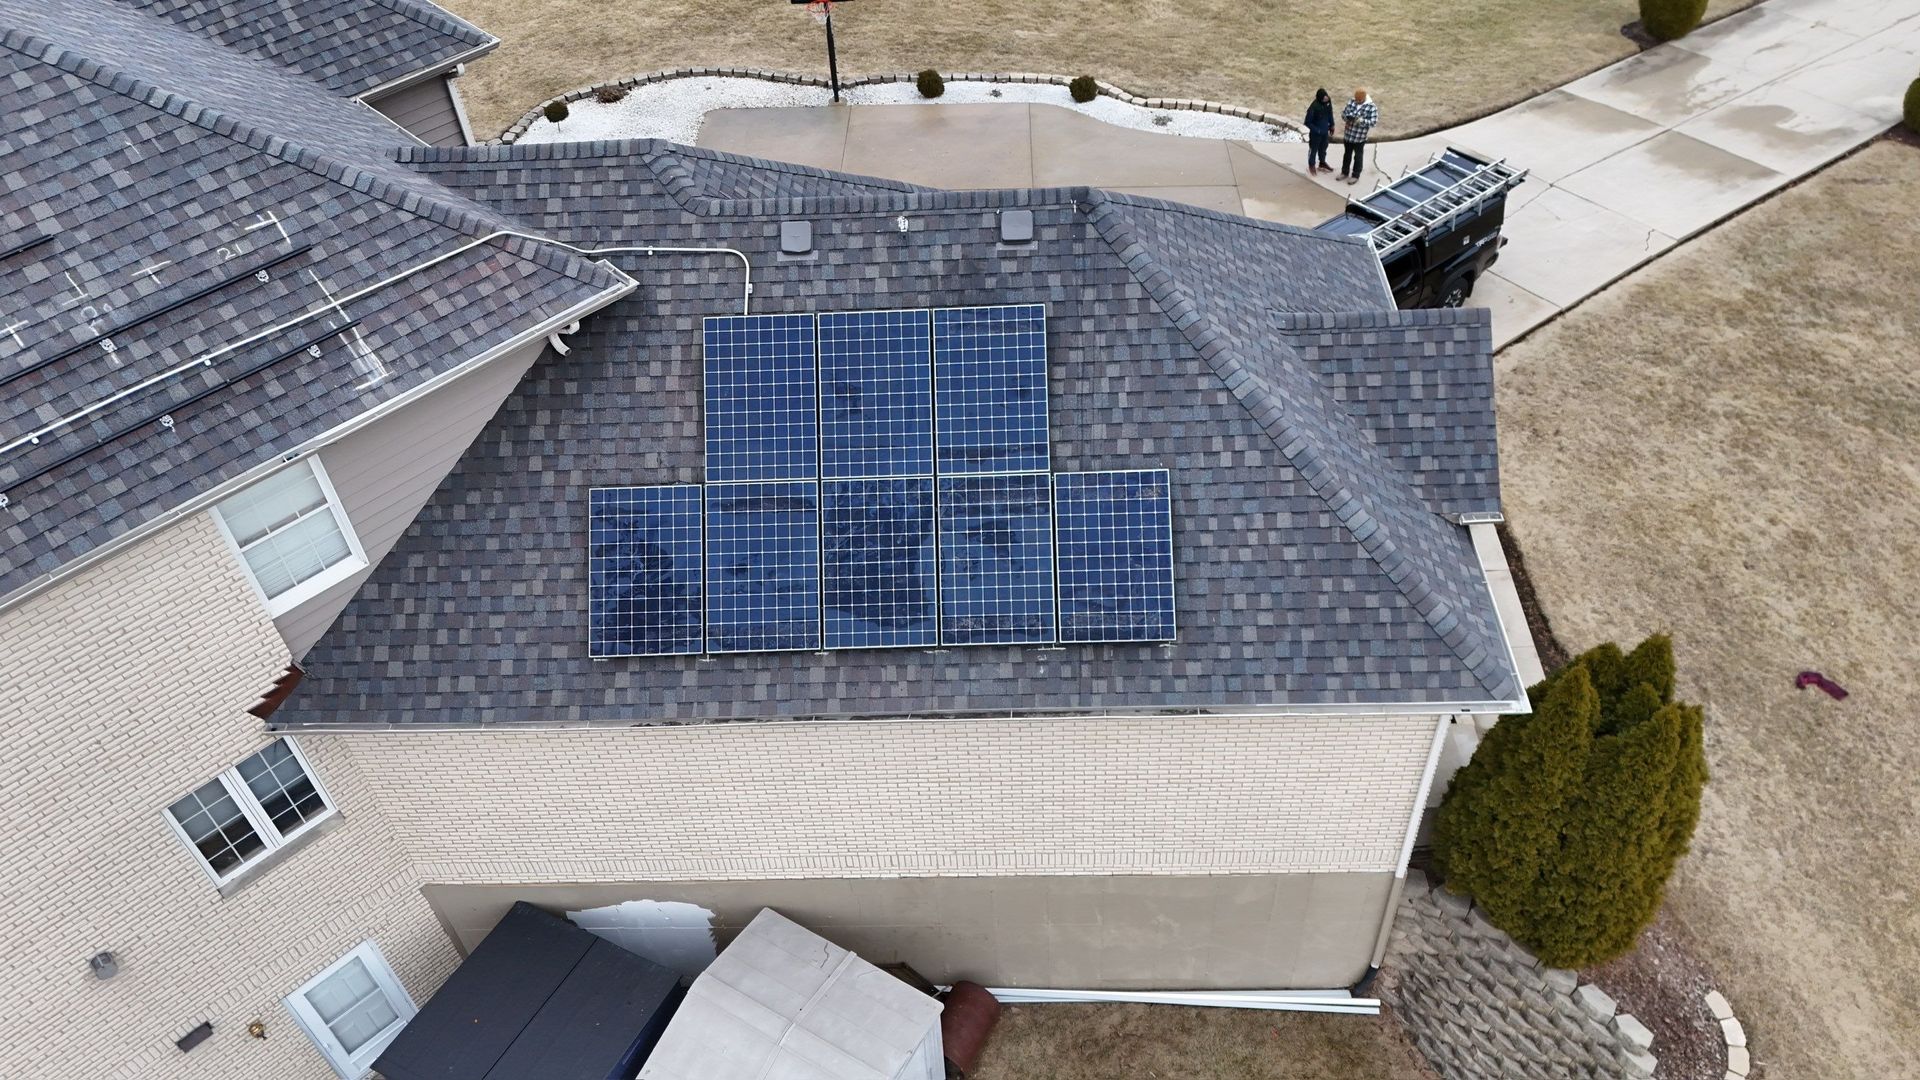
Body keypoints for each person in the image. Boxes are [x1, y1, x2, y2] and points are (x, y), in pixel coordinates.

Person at [1338, 87, 1379, 185]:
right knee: (1347, 154)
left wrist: (1361, 121)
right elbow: (1343, 113)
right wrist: (1347, 118)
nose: (1357, 102)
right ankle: (1344, 172)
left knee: (1358, 156)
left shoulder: (1371, 107)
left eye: (1359, 100)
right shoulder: (1352, 102)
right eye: (1356, 100)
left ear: (1364, 98)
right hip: (1348, 135)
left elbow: (1373, 122)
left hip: (1359, 137)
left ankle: (1355, 175)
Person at [1304, 89, 1334, 174]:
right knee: (1313, 149)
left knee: (1323, 148)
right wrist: (1317, 130)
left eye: (1327, 99)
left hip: (1325, 131)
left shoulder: (1328, 102)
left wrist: (1332, 125)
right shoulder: (1313, 107)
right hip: (1316, 133)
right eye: (1324, 99)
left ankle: (1322, 163)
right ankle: (1311, 165)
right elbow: (1307, 122)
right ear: (1320, 98)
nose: (1326, 100)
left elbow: (1330, 113)